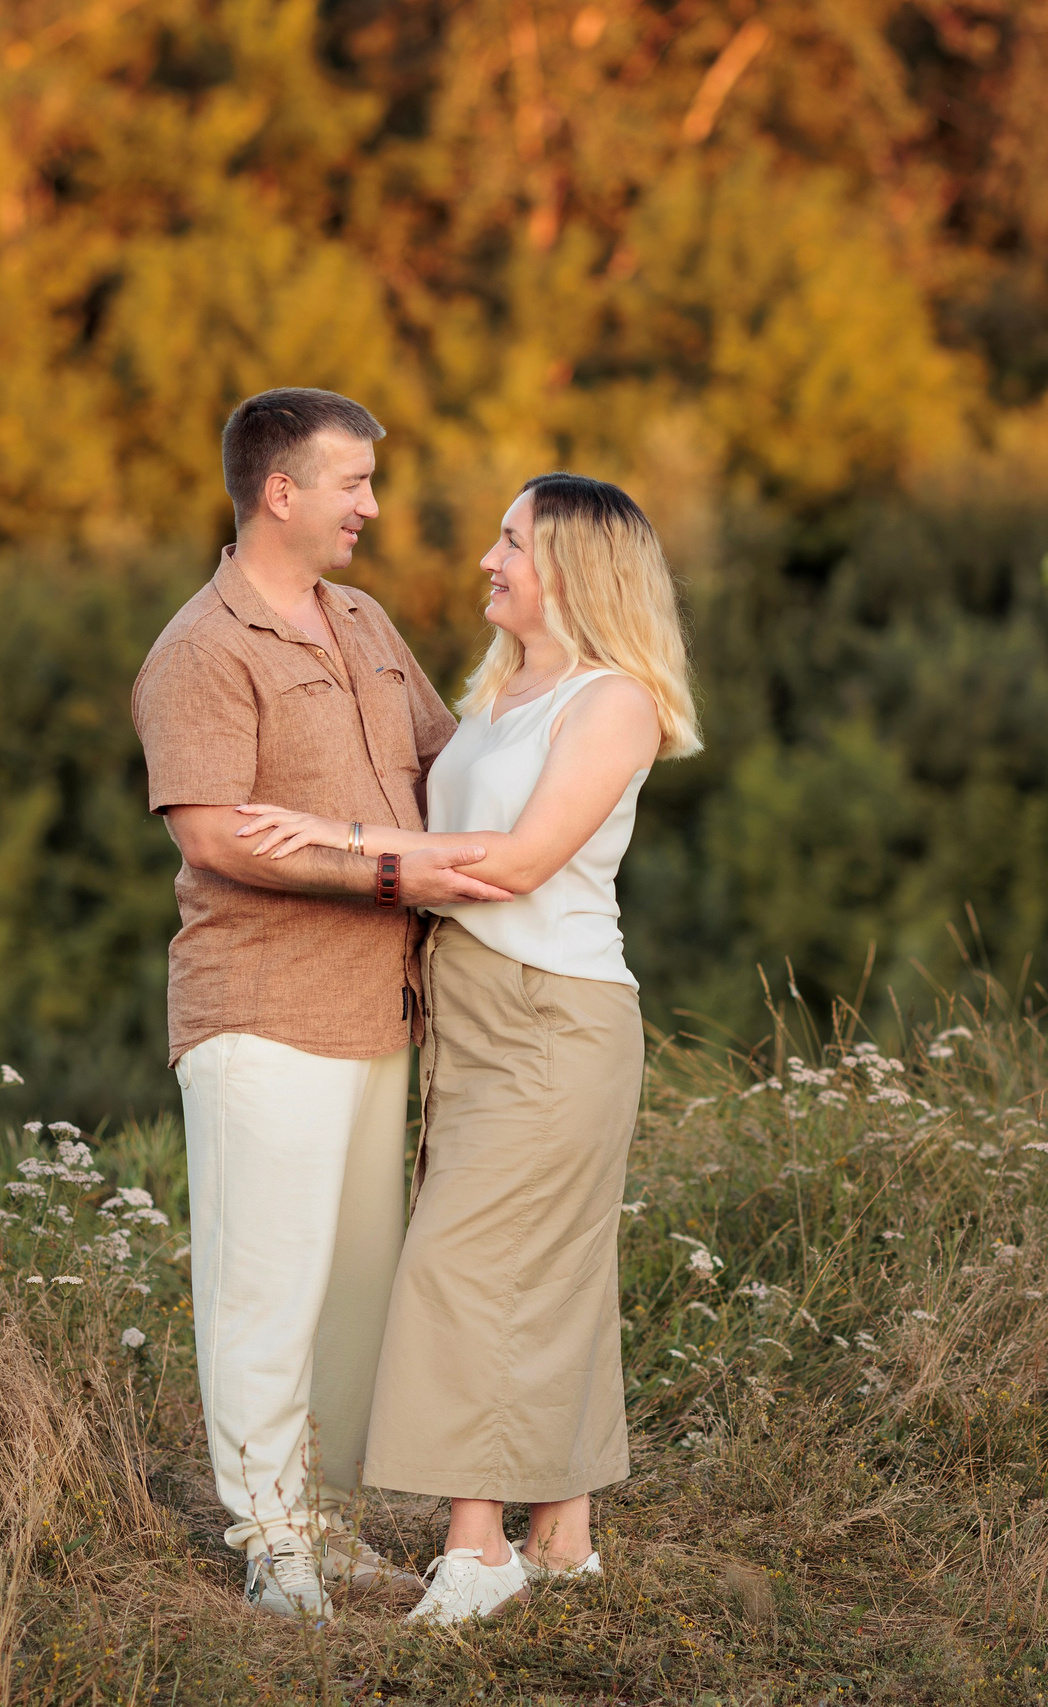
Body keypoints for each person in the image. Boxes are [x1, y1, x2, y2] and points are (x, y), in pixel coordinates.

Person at [230, 472, 700, 1626]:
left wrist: (341, 839)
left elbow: (520, 863)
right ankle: (564, 1537)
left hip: (557, 1011)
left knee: (462, 1265)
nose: (488, 559)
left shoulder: (614, 700)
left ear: (577, 571)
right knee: (556, 1268)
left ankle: (477, 1546)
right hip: (471, 1008)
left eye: (512, 542)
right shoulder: (496, 697)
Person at [129, 388, 512, 1622]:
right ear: (278, 492)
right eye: (352, 483)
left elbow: (446, 760)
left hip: (379, 1009)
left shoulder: (362, 620)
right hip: (260, 1005)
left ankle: (320, 1520)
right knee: (265, 1282)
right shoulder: (201, 648)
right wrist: (394, 866)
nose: (373, 507)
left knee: (350, 1290)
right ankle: (269, 1545)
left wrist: (564, 707)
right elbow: (216, 836)